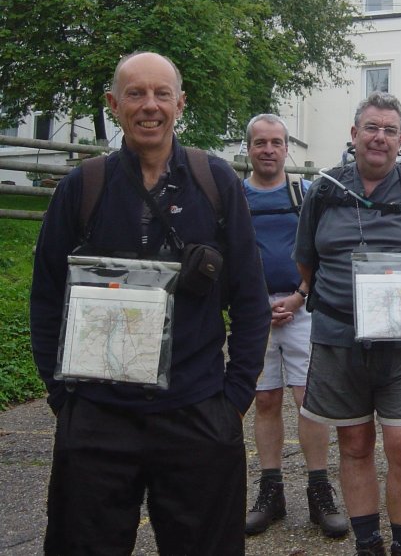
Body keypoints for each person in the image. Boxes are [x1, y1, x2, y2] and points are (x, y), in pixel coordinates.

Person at [29, 51, 271, 555]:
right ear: (113, 104)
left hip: (196, 413)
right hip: (97, 416)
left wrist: (234, 400)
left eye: (162, 93)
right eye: (135, 94)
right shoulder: (83, 187)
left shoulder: (216, 183)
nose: (149, 106)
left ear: (180, 103)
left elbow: (251, 299)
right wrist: (62, 398)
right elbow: (48, 298)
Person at [293, 92, 401, 556]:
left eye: (389, 131)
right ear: (354, 134)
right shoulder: (324, 189)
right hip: (339, 341)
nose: (379, 138)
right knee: (354, 444)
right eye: (371, 127)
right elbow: (306, 262)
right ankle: (368, 544)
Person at [242, 114, 348, 538]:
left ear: (288, 148)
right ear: (248, 147)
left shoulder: (306, 196)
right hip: (255, 314)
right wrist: (251, 304)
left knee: (310, 400)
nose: (268, 149)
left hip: (303, 307)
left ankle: (320, 490)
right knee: (265, 400)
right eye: (260, 142)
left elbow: (321, 254)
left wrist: (301, 294)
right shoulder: (234, 198)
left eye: (276, 142)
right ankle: (271, 492)